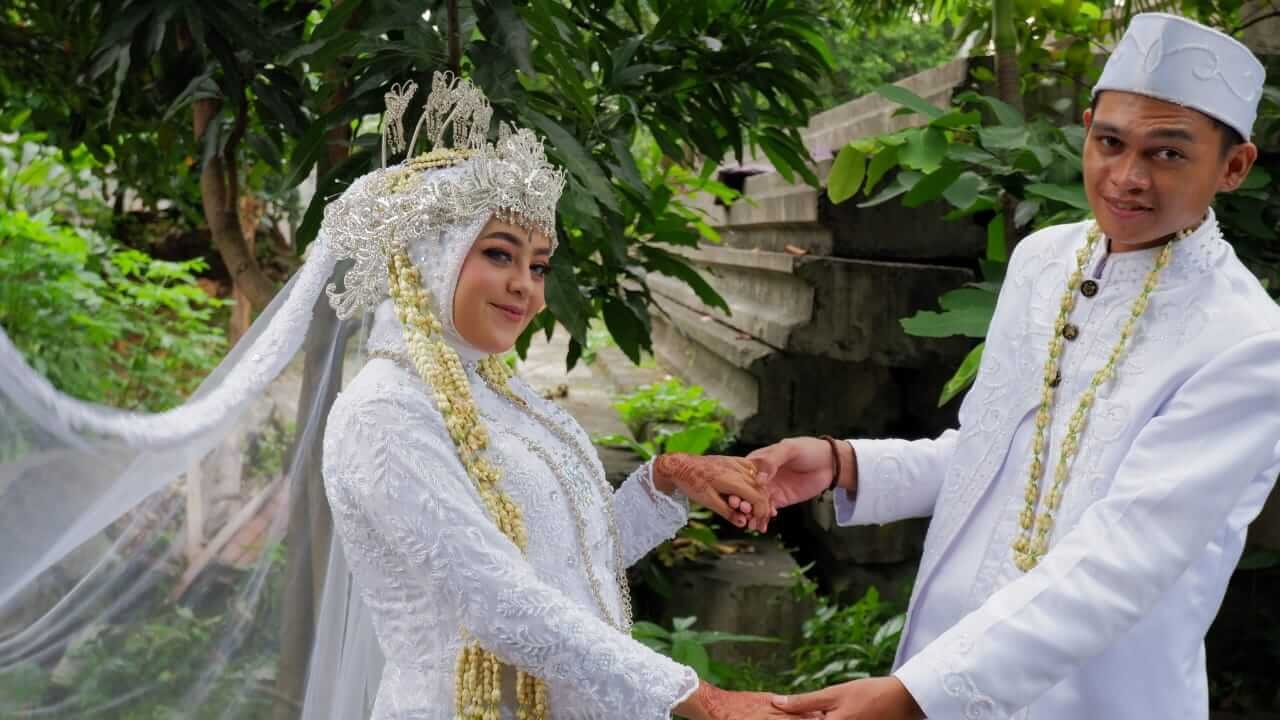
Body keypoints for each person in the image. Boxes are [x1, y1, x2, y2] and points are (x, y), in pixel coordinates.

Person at [739, 13, 1280, 720]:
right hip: (944, 653)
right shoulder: (1044, 261)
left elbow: (1129, 555)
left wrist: (917, 695)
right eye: (1110, 142)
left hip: (1095, 698)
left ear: (1234, 167)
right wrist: (845, 463)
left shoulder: (1247, 341)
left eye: (1168, 154)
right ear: (1086, 130)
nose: (1127, 177)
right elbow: (995, 454)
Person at [316, 72, 779, 719]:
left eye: (538, 266)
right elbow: (498, 601)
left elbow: (570, 561)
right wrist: (698, 698)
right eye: (499, 255)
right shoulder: (383, 412)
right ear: (428, 255)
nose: (526, 288)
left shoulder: (498, 390)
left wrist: (669, 480)